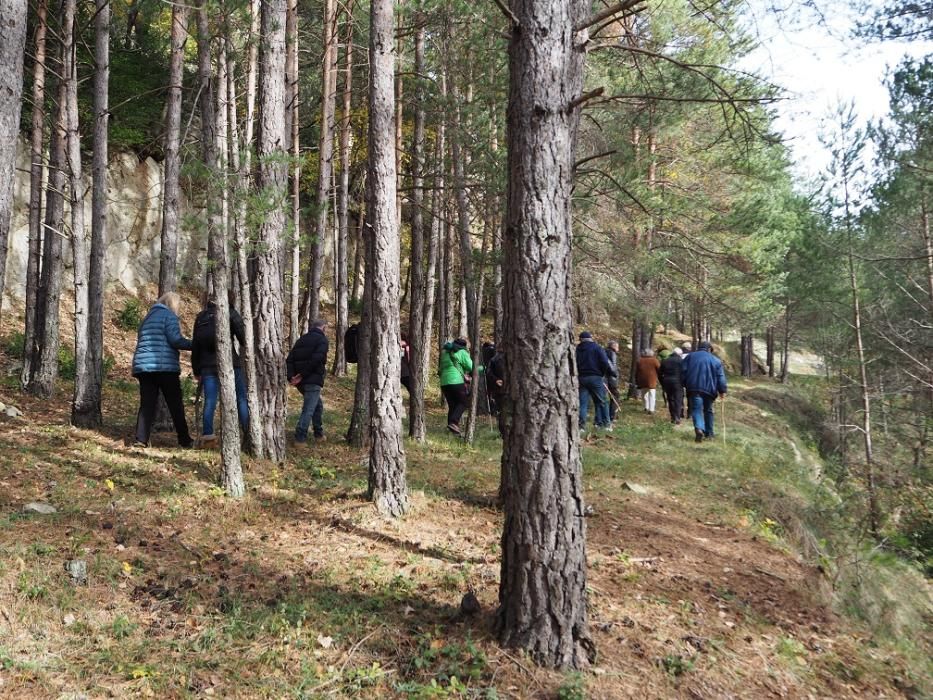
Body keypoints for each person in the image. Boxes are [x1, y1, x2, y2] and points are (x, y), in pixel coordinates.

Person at [131, 292, 193, 448]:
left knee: (147, 404)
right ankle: (185, 440)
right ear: (173, 304)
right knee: (175, 404)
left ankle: (141, 439)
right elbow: (175, 340)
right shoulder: (169, 316)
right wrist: (195, 344)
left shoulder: (147, 318)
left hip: (143, 367)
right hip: (164, 367)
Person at [191, 292, 250, 446]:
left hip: (207, 366)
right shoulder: (230, 312)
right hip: (230, 363)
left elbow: (195, 346)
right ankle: (248, 433)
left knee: (210, 400)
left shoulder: (201, 317)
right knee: (241, 398)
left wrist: (197, 370)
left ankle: (208, 436)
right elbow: (244, 338)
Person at [287, 319, 329, 443]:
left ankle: (318, 434)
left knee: (317, 405)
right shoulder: (322, 340)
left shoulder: (301, 340)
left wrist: (291, 377)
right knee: (309, 408)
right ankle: (300, 438)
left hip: (301, 382)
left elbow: (289, 360)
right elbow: (317, 359)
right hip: (312, 380)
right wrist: (301, 375)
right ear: (324, 328)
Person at [681, 340, 727, 442]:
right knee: (708, 410)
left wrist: (684, 384)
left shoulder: (690, 357)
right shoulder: (716, 360)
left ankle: (699, 429)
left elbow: (683, 372)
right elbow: (721, 377)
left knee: (696, 409)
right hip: (710, 389)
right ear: (710, 349)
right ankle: (709, 434)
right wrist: (722, 390)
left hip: (694, 388)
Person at [576, 331, 612, 431]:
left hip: (581, 378)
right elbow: (605, 362)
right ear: (591, 338)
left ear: (581, 339)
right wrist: (602, 373)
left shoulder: (577, 349)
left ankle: (581, 426)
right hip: (595, 377)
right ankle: (606, 424)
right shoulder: (597, 348)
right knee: (602, 401)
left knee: (583, 403)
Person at [439, 337, 473, 435]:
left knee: (453, 406)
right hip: (456, 381)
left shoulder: (445, 352)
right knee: (463, 402)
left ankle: (452, 430)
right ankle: (454, 422)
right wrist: (483, 368)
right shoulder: (462, 352)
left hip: (444, 382)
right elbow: (471, 367)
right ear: (465, 345)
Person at [660, 347, 684, 425]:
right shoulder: (681, 361)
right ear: (679, 354)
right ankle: (677, 416)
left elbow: (660, 373)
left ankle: (673, 417)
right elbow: (684, 372)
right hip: (678, 382)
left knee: (670, 399)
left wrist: (662, 383)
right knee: (678, 399)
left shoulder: (665, 361)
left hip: (667, 381)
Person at [486, 348, 507, 436]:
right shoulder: (495, 359)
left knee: (502, 411)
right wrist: (496, 380)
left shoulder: (494, 359)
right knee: (502, 410)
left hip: (500, 389)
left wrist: (495, 380)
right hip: (501, 389)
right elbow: (489, 372)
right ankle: (504, 432)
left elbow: (489, 373)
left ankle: (503, 432)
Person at [635, 348, 661, 414]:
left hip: (642, 380)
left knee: (644, 395)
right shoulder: (654, 360)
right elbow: (659, 370)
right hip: (652, 380)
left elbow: (637, 372)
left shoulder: (639, 360)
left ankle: (646, 407)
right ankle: (651, 409)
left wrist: (637, 380)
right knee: (652, 395)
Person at [604, 340, 621, 426]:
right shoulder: (612, 353)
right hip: (611, 379)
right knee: (615, 396)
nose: (618, 348)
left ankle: (610, 416)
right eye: (617, 346)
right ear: (613, 346)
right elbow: (612, 367)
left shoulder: (604, 352)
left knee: (609, 397)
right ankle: (612, 416)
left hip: (605, 378)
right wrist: (616, 374)